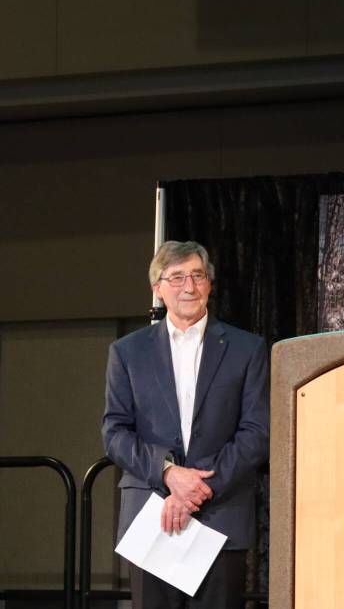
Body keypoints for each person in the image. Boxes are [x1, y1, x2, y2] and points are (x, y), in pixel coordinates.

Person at [102, 240, 269, 608]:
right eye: (176, 278)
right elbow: (114, 433)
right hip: (151, 516)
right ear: (158, 289)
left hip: (220, 516)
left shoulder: (247, 348)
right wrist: (168, 473)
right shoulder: (127, 352)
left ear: (210, 283)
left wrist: (197, 488)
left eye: (197, 275)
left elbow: (257, 432)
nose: (189, 287)